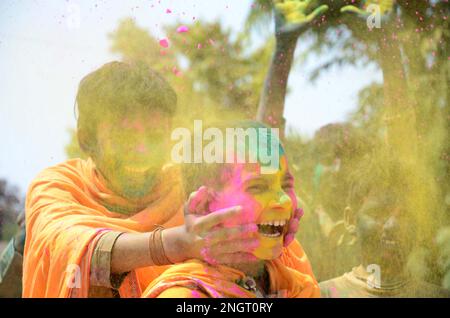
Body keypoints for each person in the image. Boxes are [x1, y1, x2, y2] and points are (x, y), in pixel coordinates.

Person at [22, 61, 295, 297]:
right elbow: (72, 248)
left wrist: (272, 218)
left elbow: (253, 158)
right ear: (86, 139)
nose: (142, 152)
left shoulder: (185, 187)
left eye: (155, 138)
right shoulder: (59, 186)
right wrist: (179, 244)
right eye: (125, 137)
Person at [142, 121, 319, 298]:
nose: (285, 200)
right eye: (257, 187)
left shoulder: (295, 287)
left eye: (285, 185)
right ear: (204, 206)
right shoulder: (184, 296)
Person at [319, 156, 450, 297]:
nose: (392, 225)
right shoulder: (324, 294)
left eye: (404, 215)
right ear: (351, 221)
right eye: (378, 213)